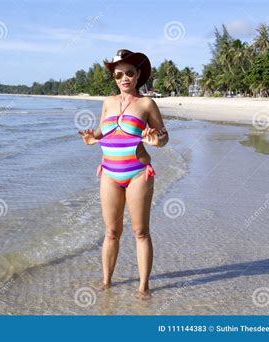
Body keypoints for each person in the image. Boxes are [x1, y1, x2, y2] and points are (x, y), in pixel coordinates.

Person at [77, 49, 169, 300]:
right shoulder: (108, 102)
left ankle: (143, 287)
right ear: (114, 78)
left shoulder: (147, 104)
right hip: (109, 173)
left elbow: (163, 137)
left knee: (140, 232)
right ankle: (106, 282)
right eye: (119, 75)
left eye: (129, 73)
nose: (124, 78)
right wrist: (90, 138)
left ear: (138, 74)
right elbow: (101, 132)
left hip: (138, 172)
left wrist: (155, 142)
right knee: (111, 232)